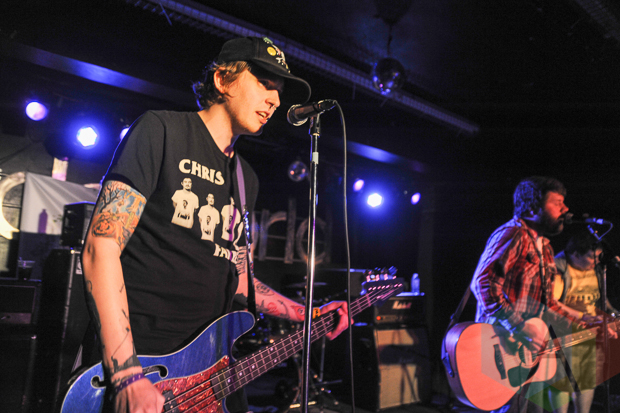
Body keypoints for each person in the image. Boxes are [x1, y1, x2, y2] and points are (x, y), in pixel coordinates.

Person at [81, 36, 350, 413]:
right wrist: (127, 373)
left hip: (210, 372)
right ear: (223, 80)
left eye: (278, 90)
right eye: (264, 83)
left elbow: (239, 280)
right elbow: (101, 246)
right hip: (146, 368)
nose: (275, 99)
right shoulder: (161, 130)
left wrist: (311, 314)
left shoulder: (245, 178)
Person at [470, 176, 607, 413]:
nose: (565, 210)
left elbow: (548, 304)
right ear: (532, 208)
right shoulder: (514, 234)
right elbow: (483, 284)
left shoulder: (545, 246)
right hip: (502, 346)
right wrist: (519, 326)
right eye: (557, 203)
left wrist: (583, 322)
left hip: (527, 353)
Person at [547, 231, 619, 413]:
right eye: (591, 257)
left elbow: (600, 298)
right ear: (575, 254)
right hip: (563, 330)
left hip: (589, 331)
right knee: (561, 381)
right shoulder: (559, 268)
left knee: (587, 379)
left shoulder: (596, 269)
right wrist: (582, 317)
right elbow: (552, 304)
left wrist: (611, 313)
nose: (596, 261)